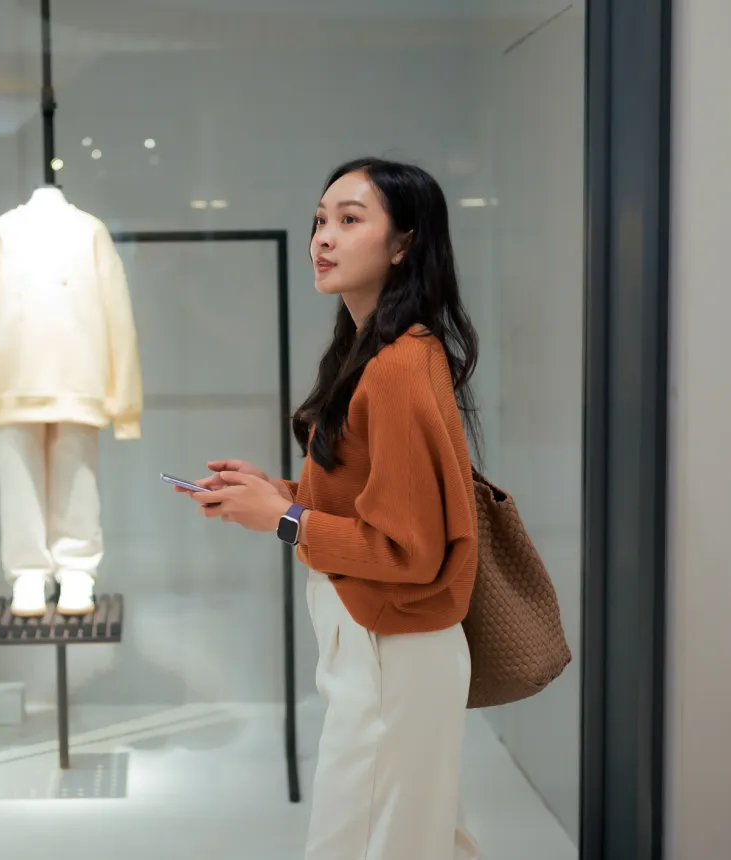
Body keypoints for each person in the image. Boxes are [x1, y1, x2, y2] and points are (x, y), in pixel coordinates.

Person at [183, 157, 482, 860]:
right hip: (384, 646)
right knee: (415, 837)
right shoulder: (374, 354)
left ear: (403, 244)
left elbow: (409, 550)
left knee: (374, 842)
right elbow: (371, 499)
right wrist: (277, 494)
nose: (323, 237)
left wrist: (285, 521)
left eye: (350, 220)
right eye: (321, 219)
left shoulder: (398, 366)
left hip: (393, 647)